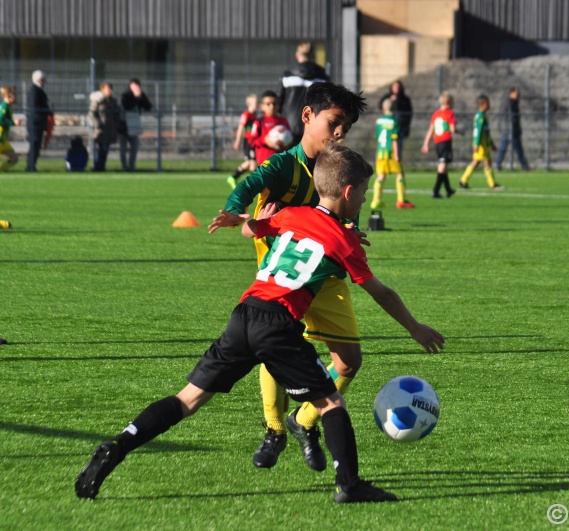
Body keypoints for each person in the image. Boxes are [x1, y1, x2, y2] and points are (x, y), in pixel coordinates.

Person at [75, 143, 445, 503]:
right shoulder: (345, 240)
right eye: (363, 193)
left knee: (187, 400)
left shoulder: (292, 215)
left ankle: (118, 445)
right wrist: (415, 327)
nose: (364, 200)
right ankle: (350, 485)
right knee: (331, 404)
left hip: (244, 313)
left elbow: (253, 230)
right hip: (277, 323)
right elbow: (381, 292)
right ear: (348, 191)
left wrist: (253, 220)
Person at [209, 82, 368, 473]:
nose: (340, 131)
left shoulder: (340, 168)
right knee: (275, 347)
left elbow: (347, 218)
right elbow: (246, 188)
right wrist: (236, 214)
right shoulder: (285, 166)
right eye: (334, 121)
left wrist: (351, 234)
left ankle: (303, 421)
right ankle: (275, 428)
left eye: (345, 125)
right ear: (307, 116)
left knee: (348, 362)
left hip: (325, 280)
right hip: (281, 282)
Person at [277, 41, 329, 149]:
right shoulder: (322, 76)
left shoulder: (288, 74)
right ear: (313, 56)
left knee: (291, 160)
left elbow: (278, 101)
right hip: (313, 124)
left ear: (297, 55)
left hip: (290, 125)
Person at [371, 98, 413, 209]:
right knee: (400, 174)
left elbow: (378, 137)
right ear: (394, 108)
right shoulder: (395, 121)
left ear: (383, 108)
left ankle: (376, 201)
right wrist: (397, 154)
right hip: (391, 152)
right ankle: (401, 200)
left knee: (381, 176)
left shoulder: (379, 121)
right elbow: (394, 139)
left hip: (380, 152)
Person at [460, 94, 503, 191]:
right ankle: (492, 184)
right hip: (481, 145)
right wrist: (477, 144)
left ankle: (463, 180)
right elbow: (478, 131)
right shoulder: (480, 117)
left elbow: (486, 132)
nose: (489, 105)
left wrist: (491, 143)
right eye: (487, 103)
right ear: (482, 105)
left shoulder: (484, 116)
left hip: (484, 144)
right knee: (484, 163)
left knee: (478, 162)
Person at [421, 91, 457, 199]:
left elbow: (431, 130)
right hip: (445, 142)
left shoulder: (436, 114)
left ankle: (448, 189)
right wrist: (459, 131)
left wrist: (425, 143)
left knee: (443, 166)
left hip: (438, 143)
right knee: (442, 167)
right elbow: (453, 129)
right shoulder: (450, 113)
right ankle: (435, 190)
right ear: (449, 103)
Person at [247, 90, 290, 166]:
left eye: (274, 104)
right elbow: (252, 141)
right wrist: (264, 140)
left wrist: (287, 142)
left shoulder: (283, 121)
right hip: (264, 163)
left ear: (278, 105)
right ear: (262, 106)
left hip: (281, 162)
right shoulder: (259, 121)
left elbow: (289, 140)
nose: (272, 106)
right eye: (268, 104)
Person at [119, 78, 152, 172]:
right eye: (134, 85)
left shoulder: (141, 95)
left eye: (137, 85)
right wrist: (136, 98)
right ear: (130, 86)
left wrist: (141, 97)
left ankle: (132, 167)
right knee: (123, 150)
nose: (136, 87)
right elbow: (127, 106)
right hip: (123, 127)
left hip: (134, 126)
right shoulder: (125, 95)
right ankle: (124, 168)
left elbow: (148, 106)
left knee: (134, 148)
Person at [495, 86, 531, 171]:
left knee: (514, 149)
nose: (518, 95)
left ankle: (498, 166)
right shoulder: (508, 103)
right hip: (509, 130)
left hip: (512, 130)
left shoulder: (514, 102)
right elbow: (509, 117)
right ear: (511, 93)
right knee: (510, 149)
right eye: (517, 93)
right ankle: (524, 167)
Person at [227, 93, 259, 189]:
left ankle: (233, 177)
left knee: (250, 162)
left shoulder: (255, 115)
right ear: (249, 104)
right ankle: (255, 185)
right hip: (249, 141)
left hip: (253, 141)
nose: (257, 105)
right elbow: (241, 128)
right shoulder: (246, 115)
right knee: (252, 162)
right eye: (255, 103)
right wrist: (238, 141)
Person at [89, 82, 122, 172]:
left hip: (110, 129)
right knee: (102, 149)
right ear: (102, 90)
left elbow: (117, 113)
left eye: (110, 89)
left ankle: (100, 166)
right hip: (101, 130)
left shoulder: (113, 100)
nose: (109, 91)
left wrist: (116, 124)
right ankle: (98, 166)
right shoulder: (98, 100)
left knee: (105, 149)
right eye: (107, 89)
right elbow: (92, 113)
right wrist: (98, 124)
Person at [25, 70, 52, 172]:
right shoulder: (35, 90)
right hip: (35, 123)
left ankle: (32, 165)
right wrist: (46, 111)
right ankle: (30, 166)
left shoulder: (37, 90)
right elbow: (35, 106)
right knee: (34, 144)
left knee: (36, 145)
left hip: (38, 123)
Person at [378, 80, 413, 159]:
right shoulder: (387, 97)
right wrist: (391, 101)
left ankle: (397, 158)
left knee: (397, 143)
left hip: (399, 127)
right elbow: (380, 105)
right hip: (388, 127)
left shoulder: (405, 99)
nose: (396, 88)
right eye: (395, 86)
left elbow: (408, 113)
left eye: (398, 86)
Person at [0, 86, 22, 171]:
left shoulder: (9, 106)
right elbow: (0, 121)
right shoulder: (4, 107)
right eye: (13, 94)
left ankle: (2, 170)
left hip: (3, 141)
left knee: (14, 159)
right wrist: (13, 123)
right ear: (8, 95)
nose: (15, 96)